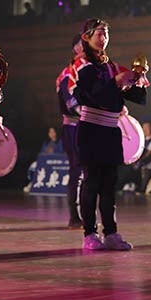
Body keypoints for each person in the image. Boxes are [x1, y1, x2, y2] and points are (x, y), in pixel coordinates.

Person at [69, 18, 148, 250]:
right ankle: (89, 234)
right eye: (99, 34)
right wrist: (116, 82)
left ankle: (111, 232)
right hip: (91, 129)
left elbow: (136, 98)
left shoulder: (111, 66)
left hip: (111, 130)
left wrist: (137, 81)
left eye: (106, 34)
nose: (103, 38)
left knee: (109, 184)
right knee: (92, 182)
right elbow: (93, 96)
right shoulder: (81, 65)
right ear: (86, 37)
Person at [56, 34, 84, 228]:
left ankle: (84, 215)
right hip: (74, 127)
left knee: (87, 172)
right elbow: (71, 102)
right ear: (76, 48)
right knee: (77, 171)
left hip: (86, 126)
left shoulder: (89, 69)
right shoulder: (69, 72)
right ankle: (75, 216)